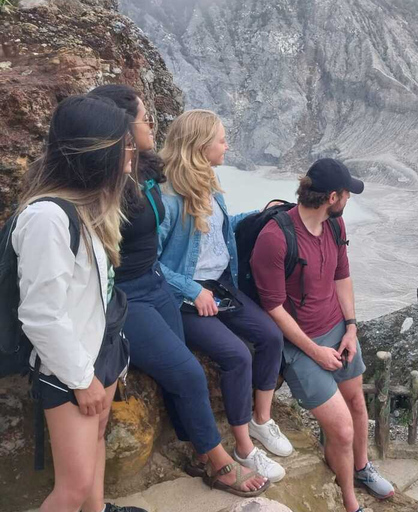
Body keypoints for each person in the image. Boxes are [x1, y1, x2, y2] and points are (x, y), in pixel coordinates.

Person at [87, 86, 269, 497]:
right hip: (126, 294)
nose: (151, 124)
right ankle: (221, 462)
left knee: (180, 373)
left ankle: (196, 450)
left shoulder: (147, 173)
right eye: (143, 117)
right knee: (187, 370)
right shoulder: (101, 182)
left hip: (153, 284)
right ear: (122, 126)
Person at [12, 95, 146, 512]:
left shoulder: (87, 207)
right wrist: (80, 379)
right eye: (124, 143)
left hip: (96, 353)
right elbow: (40, 313)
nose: (133, 151)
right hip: (68, 367)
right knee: (71, 486)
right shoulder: (48, 218)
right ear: (98, 151)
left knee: (97, 441)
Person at [157, 109, 292, 486]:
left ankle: (260, 421)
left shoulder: (209, 181)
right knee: (237, 355)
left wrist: (260, 214)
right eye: (221, 139)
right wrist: (191, 289)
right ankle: (244, 449)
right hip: (185, 298)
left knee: (270, 336)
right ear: (201, 146)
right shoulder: (168, 198)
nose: (227, 145)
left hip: (220, 287)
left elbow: (217, 232)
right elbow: (147, 261)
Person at [251, 158, 395, 512]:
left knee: (358, 405)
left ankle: (361, 469)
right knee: (342, 430)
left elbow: (341, 276)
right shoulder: (275, 238)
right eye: (347, 193)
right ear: (333, 196)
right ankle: (348, 501)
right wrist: (314, 351)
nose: (349, 199)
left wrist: (351, 327)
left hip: (337, 330)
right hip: (301, 346)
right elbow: (274, 308)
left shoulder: (334, 225)